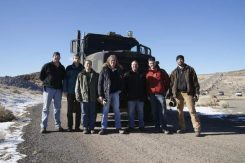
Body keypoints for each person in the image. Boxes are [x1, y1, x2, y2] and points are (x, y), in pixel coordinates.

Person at [169, 55, 201, 137]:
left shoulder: (190, 69)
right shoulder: (174, 72)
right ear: (176, 61)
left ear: (183, 60)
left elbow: (195, 82)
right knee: (180, 112)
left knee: (192, 111)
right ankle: (182, 128)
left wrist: (196, 93)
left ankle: (197, 129)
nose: (180, 60)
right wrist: (171, 95)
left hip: (188, 93)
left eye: (181, 59)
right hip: (178, 94)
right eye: (178, 59)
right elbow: (171, 84)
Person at [97, 55, 126, 135]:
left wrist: (121, 90)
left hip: (116, 93)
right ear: (108, 61)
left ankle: (118, 127)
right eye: (111, 60)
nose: (113, 62)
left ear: (116, 61)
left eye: (114, 60)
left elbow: (123, 81)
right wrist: (100, 95)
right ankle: (103, 128)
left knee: (117, 110)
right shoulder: (104, 70)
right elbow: (100, 83)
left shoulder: (119, 70)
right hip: (106, 94)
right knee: (105, 110)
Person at [39, 52, 66, 133]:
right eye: (55, 57)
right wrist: (47, 83)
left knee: (57, 108)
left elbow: (64, 78)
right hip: (48, 89)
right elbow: (41, 76)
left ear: (60, 58)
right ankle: (43, 127)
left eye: (58, 57)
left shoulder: (62, 67)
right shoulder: (47, 65)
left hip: (58, 90)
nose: (56, 58)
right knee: (45, 108)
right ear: (52, 57)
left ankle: (58, 126)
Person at [146, 58, 171, 134]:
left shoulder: (161, 71)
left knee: (163, 111)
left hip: (160, 94)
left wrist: (165, 91)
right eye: (150, 63)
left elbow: (167, 81)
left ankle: (164, 127)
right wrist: (148, 94)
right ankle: (157, 127)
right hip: (152, 95)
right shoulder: (147, 73)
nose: (151, 64)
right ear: (148, 64)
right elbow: (146, 85)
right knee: (154, 112)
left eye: (152, 63)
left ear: (155, 63)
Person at [75, 60, 99, 134]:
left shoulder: (95, 74)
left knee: (92, 113)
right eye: (87, 64)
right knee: (84, 113)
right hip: (84, 97)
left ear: (91, 65)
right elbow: (77, 86)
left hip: (93, 97)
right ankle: (85, 128)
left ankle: (91, 128)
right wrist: (78, 96)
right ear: (84, 65)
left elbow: (98, 86)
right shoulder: (80, 74)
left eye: (89, 64)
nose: (88, 65)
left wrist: (98, 96)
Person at [124, 60, 146, 132]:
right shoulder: (127, 74)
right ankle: (131, 126)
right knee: (131, 113)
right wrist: (126, 95)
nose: (134, 66)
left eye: (136, 65)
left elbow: (145, 86)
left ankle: (141, 126)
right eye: (133, 65)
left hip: (140, 98)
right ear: (131, 66)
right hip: (131, 98)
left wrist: (144, 95)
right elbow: (124, 87)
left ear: (138, 66)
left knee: (141, 113)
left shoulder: (142, 75)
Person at [63, 54, 84, 132]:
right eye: (76, 58)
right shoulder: (68, 68)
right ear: (73, 59)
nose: (77, 60)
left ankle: (77, 127)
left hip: (79, 92)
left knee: (78, 110)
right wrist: (65, 90)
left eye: (78, 58)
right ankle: (70, 127)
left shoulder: (82, 68)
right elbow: (65, 80)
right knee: (69, 110)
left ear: (80, 59)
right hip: (70, 91)